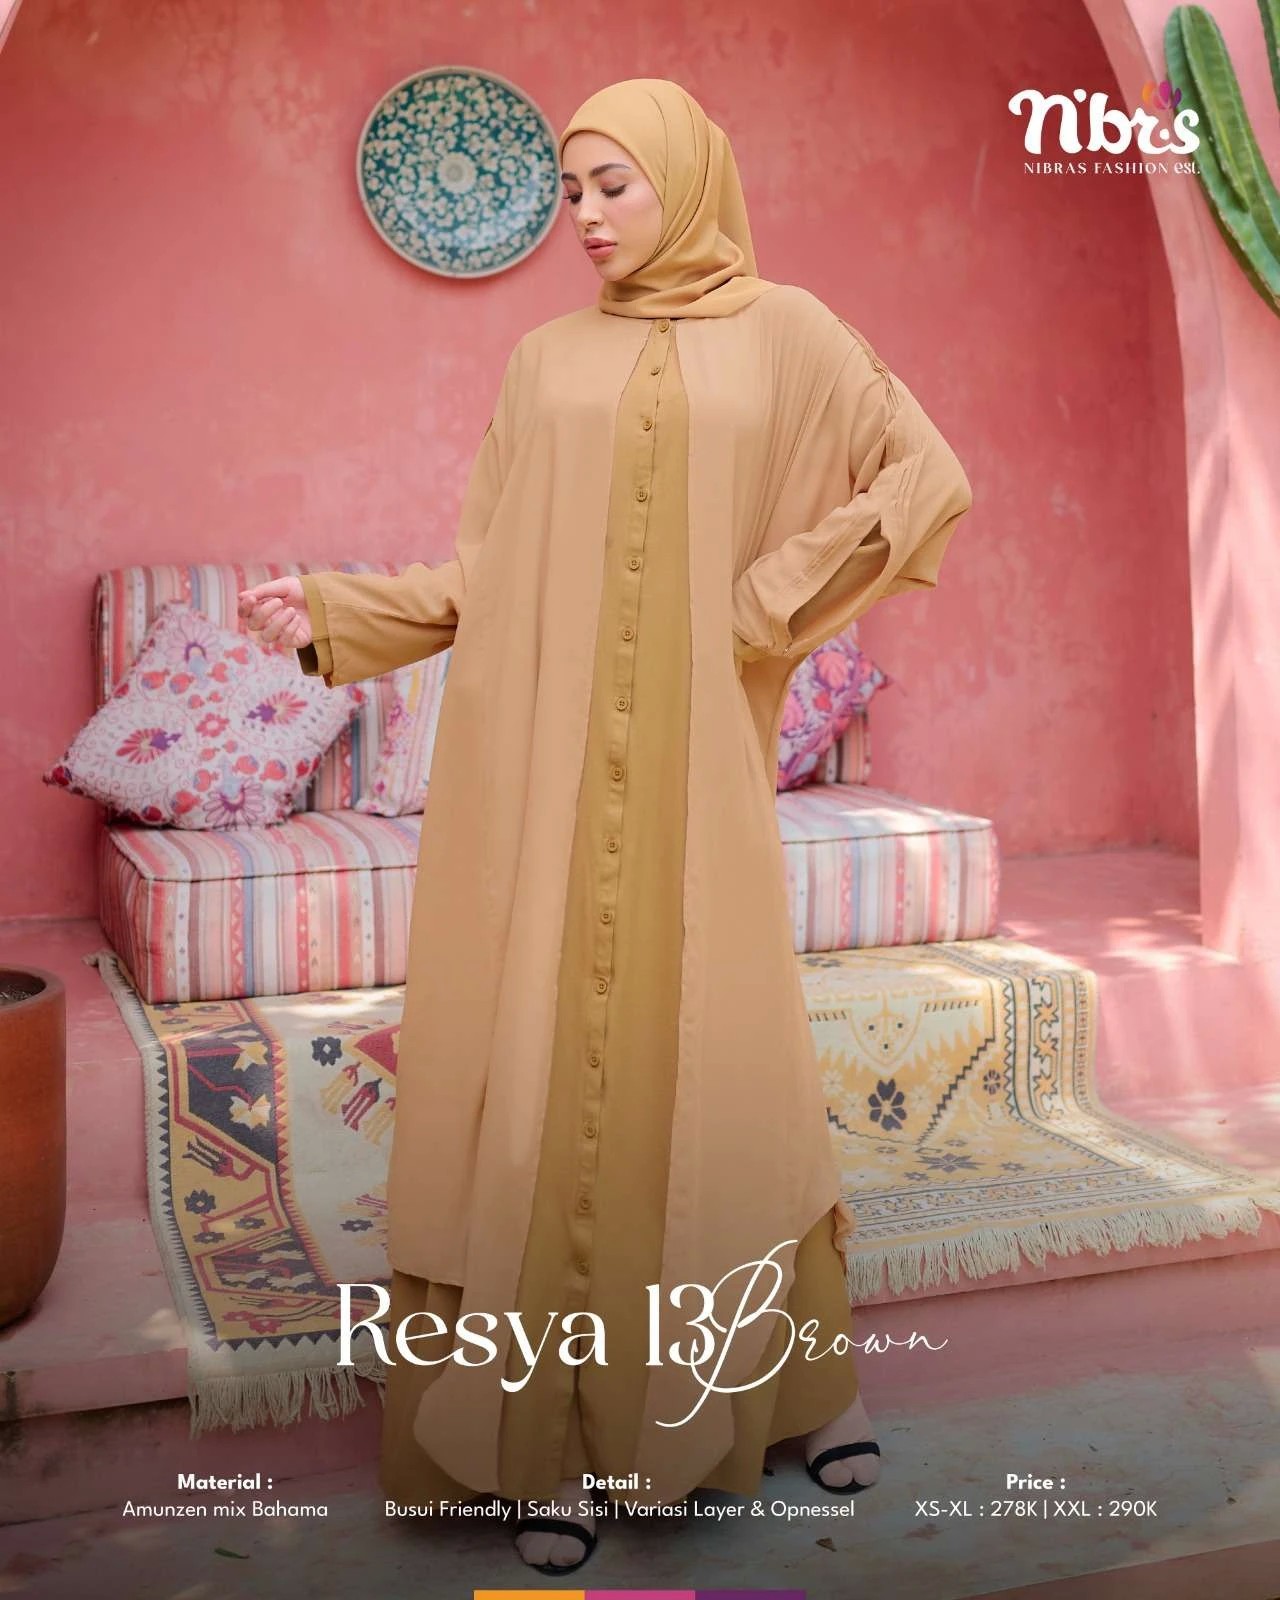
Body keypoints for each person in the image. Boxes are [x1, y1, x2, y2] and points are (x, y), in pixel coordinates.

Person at [239, 77, 973, 1579]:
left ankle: (794, 1393)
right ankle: (546, 1442)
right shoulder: (543, 361)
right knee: (548, 1080)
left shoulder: (795, 335)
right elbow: (493, 568)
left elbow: (927, 480)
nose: (583, 216)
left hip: (700, 770)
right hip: (545, 768)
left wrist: (765, 604)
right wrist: (331, 612)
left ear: (686, 180)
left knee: (726, 1073)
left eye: (612, 184)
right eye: (570, 190)